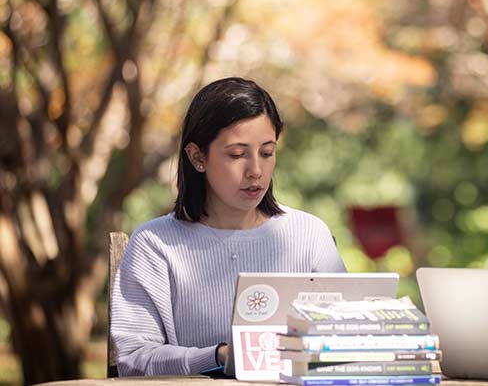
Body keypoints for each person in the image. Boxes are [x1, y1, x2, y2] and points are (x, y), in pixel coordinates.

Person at [111, 77, 346, 376]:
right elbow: (134, 359)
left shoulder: (309, 235)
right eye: (237, 154)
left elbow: (343, 343)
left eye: (267, 152)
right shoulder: (155, 244)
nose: (256, 171)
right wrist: (221, 355)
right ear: (198, 157)